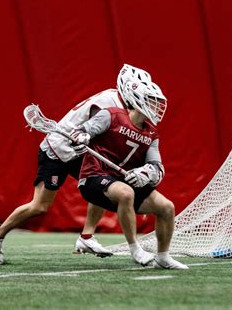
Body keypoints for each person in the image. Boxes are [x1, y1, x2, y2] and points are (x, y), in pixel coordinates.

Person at [0, 64, 152, 265]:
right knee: (40, 206)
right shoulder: (108, 101)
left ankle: (87, 237)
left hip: (78, 151)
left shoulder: (123, 105)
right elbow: (92, 130)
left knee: (103, 180)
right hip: (57, 149)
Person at [77, 80, 188, 270]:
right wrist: (81, 137)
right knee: (126, 192)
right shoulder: (111, 116)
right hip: (94, 177)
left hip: (122, 180)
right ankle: (135, 249)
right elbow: (81, 132)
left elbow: (157, 167)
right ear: (138, 99)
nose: (157, 107)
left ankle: (163, 257)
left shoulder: (152, 134)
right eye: (153, 101)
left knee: (167, 207)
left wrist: (146, 173)